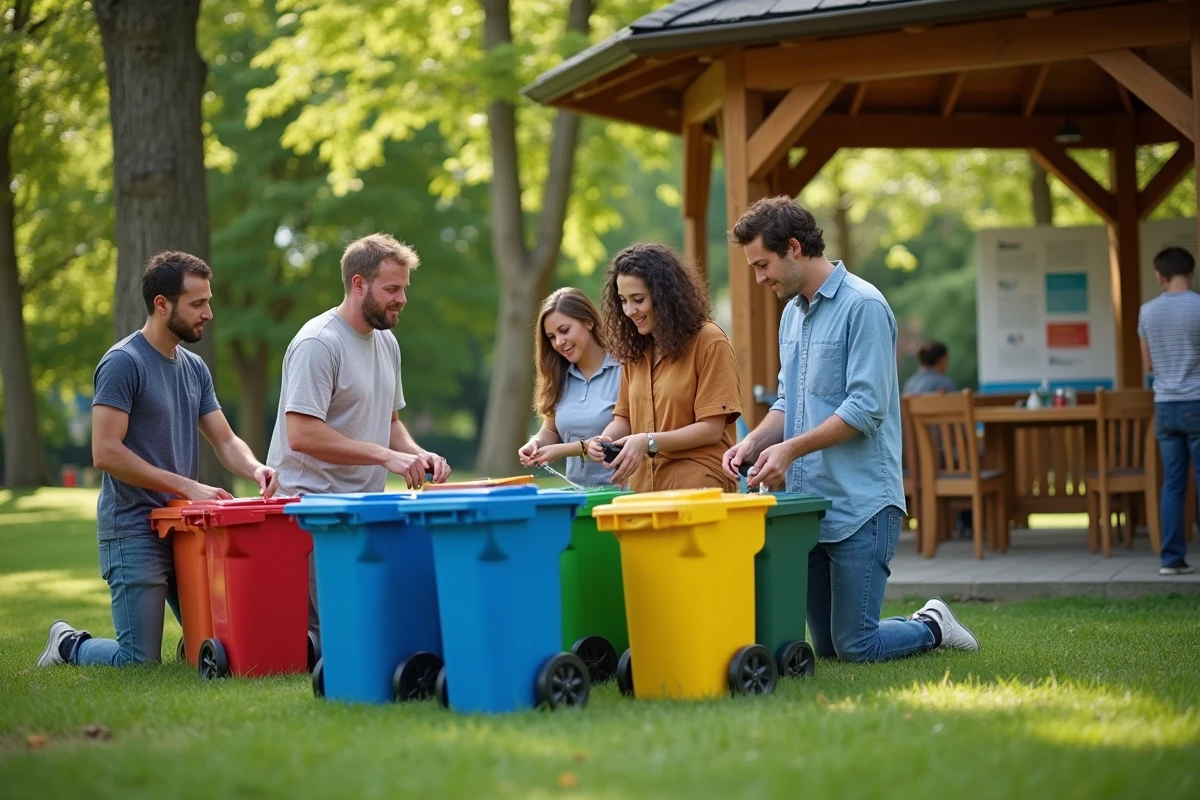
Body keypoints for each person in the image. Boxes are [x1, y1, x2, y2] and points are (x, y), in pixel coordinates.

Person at [722, 196, 978, 662]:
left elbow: (866, 409)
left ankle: (933, 624)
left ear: (794, 248)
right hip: (811, 506)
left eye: (762, 265)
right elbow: (788, 401)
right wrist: (754, 442)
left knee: (856, 646)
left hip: (863, 505)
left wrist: (790, 450)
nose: (759, 279)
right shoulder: (791, 315)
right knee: (828, 647)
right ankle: (904, 626)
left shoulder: (864, 306)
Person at [37, 251, 279, 669]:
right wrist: (187, 486)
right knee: (139, 661)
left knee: (228, 640)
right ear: (162, 304)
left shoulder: (195, 368)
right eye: (197, 304)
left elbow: (224, 439)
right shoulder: (123, 363)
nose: (209, 313)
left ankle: (191, 644)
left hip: (184, 527)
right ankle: (68, 645)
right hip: (133, 528)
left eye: (208, 301)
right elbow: (105, 451)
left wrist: (255, 467)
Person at [267, 233, 452, 636]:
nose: (402, 299)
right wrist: (385, 456)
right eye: (392, 289)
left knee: (377, 625)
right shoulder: (319, 343)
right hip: (312, 514)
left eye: (404, 288)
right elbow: (301, 434)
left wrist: (417, 454)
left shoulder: (387, 341)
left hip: (363, 511)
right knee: (339, 635)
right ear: (359, 284)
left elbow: (390, 423)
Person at [586, 242, 741, 491]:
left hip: (699, 489)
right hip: (644, 491)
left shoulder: (709, 341)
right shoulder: (636, 351)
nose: (629, 311)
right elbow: (624, 418)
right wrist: (604, 439)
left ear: (664, 296)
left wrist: (648, 441)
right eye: (623, 301)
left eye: (638, 300)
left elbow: (711, 429)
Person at [1138, 246, 1200, 576]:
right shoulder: (1198, 307)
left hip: (1165, 405)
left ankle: (1171, 559)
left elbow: (1149, 364)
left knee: (1173, 483)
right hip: (1197, 401)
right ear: (1190, 273)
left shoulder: (1147, 312)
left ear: (1160, 276)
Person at [518, 288, 620, 486]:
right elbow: (550, 431)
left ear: (588, 322)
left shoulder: (623, 370)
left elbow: (619, 431)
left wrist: (563, 450)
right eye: (551, 336)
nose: (559, 342)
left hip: (620, 492)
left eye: (564, 330)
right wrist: (535, 443)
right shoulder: (558, 377)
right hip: (579, 495)